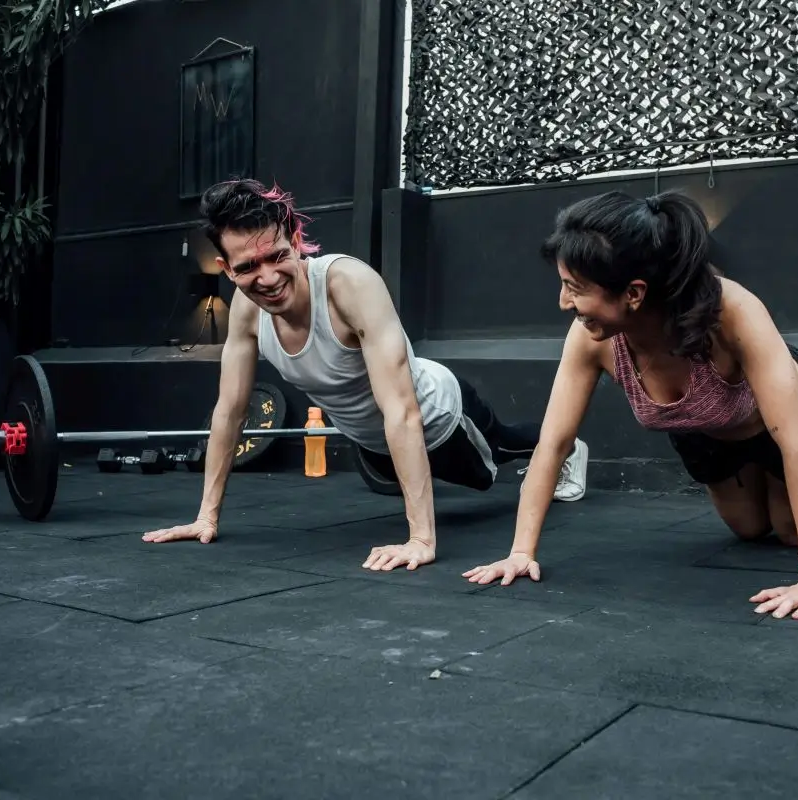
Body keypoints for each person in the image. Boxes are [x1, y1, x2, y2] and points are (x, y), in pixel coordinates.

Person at [463, 189, 798, 621]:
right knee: (749, 530)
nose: (563, 302)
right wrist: (520, 553)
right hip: (704, 432)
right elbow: (554, 443)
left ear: (634, 293)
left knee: (788, 531)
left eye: (575, 288)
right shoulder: (592, 340)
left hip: (775, 423)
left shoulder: (731, 311)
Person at [141, 179, 590, 570]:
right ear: (226, 268)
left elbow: (402, 411)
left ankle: (569, 447)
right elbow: (230, 412)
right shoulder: (245, 312)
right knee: (395, 482)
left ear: (295, 240)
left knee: (492, 467)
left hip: (439, 417)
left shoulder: (348, 285)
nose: (268, 278)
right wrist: (206, 517)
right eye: (247, 267)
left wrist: (421, 540)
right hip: (374, 444)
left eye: (276, 256)